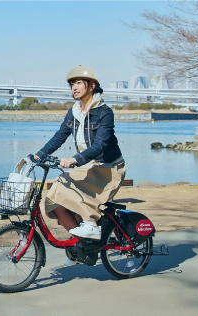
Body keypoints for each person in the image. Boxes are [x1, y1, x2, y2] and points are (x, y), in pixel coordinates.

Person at [33, 65, 125, 241]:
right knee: (55, 203)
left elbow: (100, 145)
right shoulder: (74, 112)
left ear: (91, 86)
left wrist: (75, 159)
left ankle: (90, 223)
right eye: (72, 84)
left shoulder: (104, 112)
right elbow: (59, 137)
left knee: (62, 180)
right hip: (88, 166)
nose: (74, 87)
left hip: (108, 168)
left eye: (79, 83)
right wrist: (38, 155)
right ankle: (82, 245)